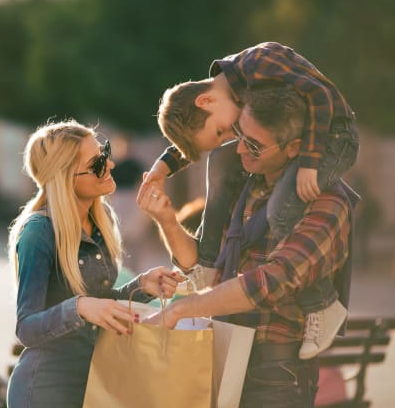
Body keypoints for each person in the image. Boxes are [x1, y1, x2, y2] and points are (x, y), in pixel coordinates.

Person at [139, 85, 356, 408]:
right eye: (240, 134)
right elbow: (203, 268)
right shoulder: (244, 186)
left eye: (254, 144)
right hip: (221, 355)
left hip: (274, 375)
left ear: (295, 148)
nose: (238, 147)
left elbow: (271, 282)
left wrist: (182, 309)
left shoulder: (327, 202)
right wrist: (166, 220)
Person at [140, 41, 359, 359]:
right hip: (305, 138)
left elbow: (321, 96)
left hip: (334, 136)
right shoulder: (226, 95)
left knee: (283, 209)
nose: (231, 139)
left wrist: (310, 162)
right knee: (219, 160)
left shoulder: (259, 64)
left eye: (222, 132)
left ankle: (323, 304)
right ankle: (208, 262)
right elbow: (199, 133)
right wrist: (161, 168)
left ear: (206, 99)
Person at [6, 120, 181, 408]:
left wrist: (141, 286)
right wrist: (78, 307)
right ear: (65, 177)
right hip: (47, 391)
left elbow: (100, 305)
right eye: (98, 163)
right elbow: (26, 327)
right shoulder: (39, 232)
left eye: (105, 153)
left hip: (96, 380)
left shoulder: (99, 222)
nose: (110, 163)